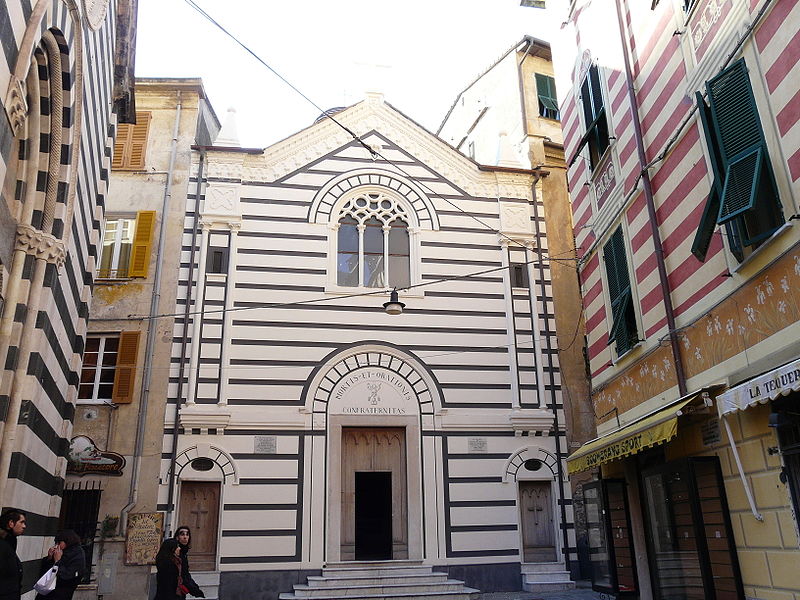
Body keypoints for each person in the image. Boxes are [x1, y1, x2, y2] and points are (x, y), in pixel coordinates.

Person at [35, 530, 86, 600]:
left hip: (60, 595)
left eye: (59, 543)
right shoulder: (60, 553)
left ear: (67, 541)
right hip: (46, 594)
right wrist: (49, 558)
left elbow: (66, 577)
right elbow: (45, 574)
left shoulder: (77, 555)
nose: (57, 546)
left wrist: (57, 562)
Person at [0, 509, 26, 600]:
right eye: (22, 522)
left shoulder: (10, 541)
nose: (24, 526)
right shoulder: (2, 545)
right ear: (11, 523)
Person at [173, 526, 204, 598]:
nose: (185, 537)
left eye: (187, 534)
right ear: (177, 537)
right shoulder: (175, 552)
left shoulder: (184, 552)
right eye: (182, 534)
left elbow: (185, 573)